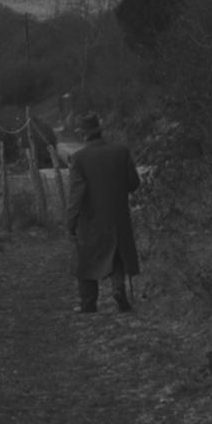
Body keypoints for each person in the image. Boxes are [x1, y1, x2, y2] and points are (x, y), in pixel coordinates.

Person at [65, 112, 140, 313]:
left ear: (83, 134)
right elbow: (134, 183)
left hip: (91, 219)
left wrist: (70, 222)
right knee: (116, 254)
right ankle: (118, 289)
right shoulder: (121, 152)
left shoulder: (79, 158)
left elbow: (76, 195)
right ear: (100, 131)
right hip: (118, 216)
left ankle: (88, 304)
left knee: (85, 259)